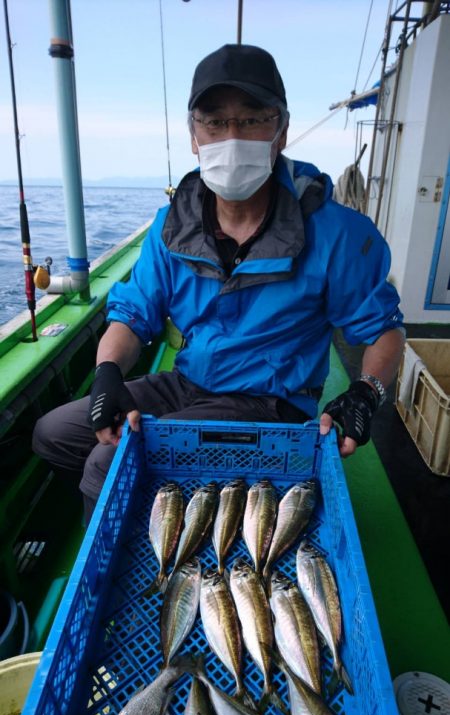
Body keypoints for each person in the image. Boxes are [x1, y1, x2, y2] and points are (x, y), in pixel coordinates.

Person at [33, 43, 405, 524]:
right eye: (214, 122)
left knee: (107, 464)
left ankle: (127, 558)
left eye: (252, 119)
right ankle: (164, 518)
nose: (232, 136)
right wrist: (108, 373)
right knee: (52, 432)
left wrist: (366, 391)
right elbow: (132, 314)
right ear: (194, 136)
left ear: (282, 131)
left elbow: (384, 330)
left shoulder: (338, 234)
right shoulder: (172, 226)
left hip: (269, 405)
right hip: (190, 382)